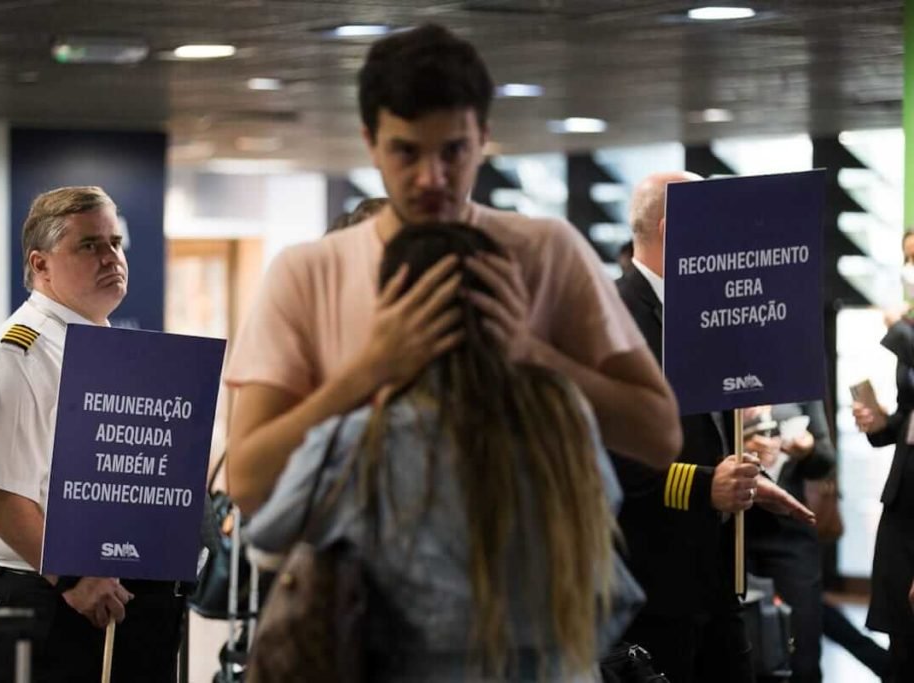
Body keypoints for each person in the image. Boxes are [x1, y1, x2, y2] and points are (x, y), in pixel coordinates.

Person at [225, 23, 682, 516]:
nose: (431, 178)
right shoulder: (307, 274)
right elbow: (247, 482)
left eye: (453, 151)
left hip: (523, 583)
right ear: (371, 143)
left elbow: (659, 435)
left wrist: (530, 355)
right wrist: (371, 369)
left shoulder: (546, 252)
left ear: (483, 139)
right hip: (358, 586)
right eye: (406, 152)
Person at [248, 223, 638, 681]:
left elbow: (269, 540)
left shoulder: (358, 441)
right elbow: (605, 508)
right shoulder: (564, 416)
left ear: (392, 312)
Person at [0, 187, 184, 682]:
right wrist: (74, 577)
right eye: (89, 245)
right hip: (54, 600)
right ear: (41, 264)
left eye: (115, 242)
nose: (111, 257)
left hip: (126, 597)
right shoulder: (12, 355)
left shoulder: (110, 351)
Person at [615, 171, 815, 683]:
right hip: (651, 586)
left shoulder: (706, 310)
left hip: (717, 576)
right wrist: (707, 485)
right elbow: (611, 460)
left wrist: (750, 484)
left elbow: (712, 433)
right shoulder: (612, 316)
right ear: (674, 228)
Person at [853, 245, 914, 681]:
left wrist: (902, 331)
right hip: (903, 497)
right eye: (908, 258)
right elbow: (907, 415)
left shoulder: (907, 331)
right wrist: (879, 423)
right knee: (901, 638)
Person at [743, 401, 835, 683]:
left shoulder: (795, 375)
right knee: (739, 649)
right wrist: (739, 449)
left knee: (803, 648)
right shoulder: (716, 372)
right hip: (732, 526)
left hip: (789, 528)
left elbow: (824, 460)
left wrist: (806, 450)